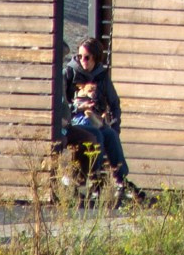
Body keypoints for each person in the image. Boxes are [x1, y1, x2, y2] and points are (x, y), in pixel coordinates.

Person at [59, 37, 139, 198]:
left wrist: (115, 125)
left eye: (87, 57)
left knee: (110, 134)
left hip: (94, 118)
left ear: (95, 57)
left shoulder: (101, 76)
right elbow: (61, 102)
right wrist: (77, 107)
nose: (83, 60)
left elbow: (114, 103)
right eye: (80, 56)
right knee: (98, 135)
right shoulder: (69, 72)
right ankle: (94, 179)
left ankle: (120, 180)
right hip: (75, 119)